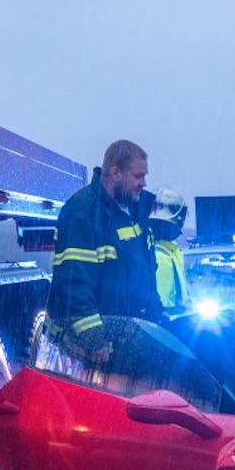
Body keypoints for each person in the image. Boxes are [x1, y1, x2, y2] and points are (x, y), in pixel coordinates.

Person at [44, 140, 160, 362]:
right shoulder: (82, 213)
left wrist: (157, 316)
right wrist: (94, 340)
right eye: (138, 176)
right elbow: (74, 284)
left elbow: (144, 275)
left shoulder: (133, 211)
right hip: (85, 351)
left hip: (123, 343)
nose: (144, 183)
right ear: (116, 173)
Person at [147, 187, 190, 312]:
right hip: (169, 317)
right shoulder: (162, 254)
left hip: (170, 315)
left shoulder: (169, 251)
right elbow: (165, 298)